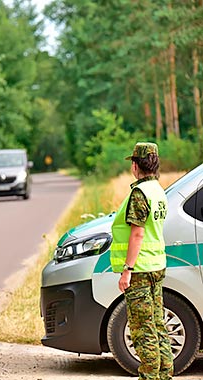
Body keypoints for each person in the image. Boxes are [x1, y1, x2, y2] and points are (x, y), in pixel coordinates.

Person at [110, 142, 174, 380]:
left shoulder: (139, 193)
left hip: (140, 270)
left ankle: (149, 376)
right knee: (157, 324)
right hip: (157, 265)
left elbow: (137, 233)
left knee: (142, 329)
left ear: (135, 165)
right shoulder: (158, 190)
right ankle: (165, 374)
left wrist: (127, 269)